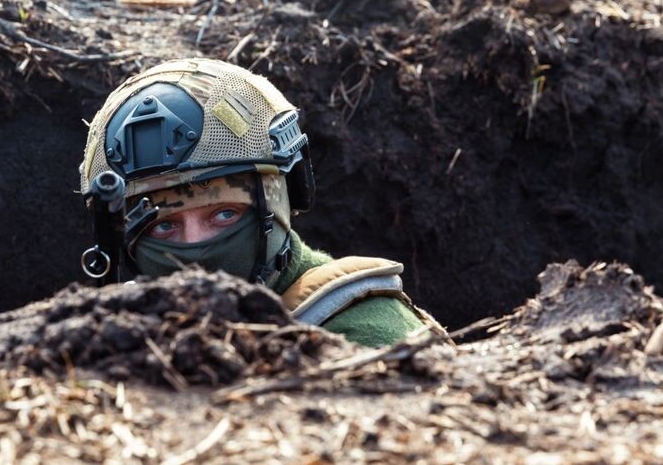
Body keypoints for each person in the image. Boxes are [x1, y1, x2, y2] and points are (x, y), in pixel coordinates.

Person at [79, 58, 443, 347]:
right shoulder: (126, 327)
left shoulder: (364, 334)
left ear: (279, 202)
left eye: (224, 214)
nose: (193, 252)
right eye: (163, 226)